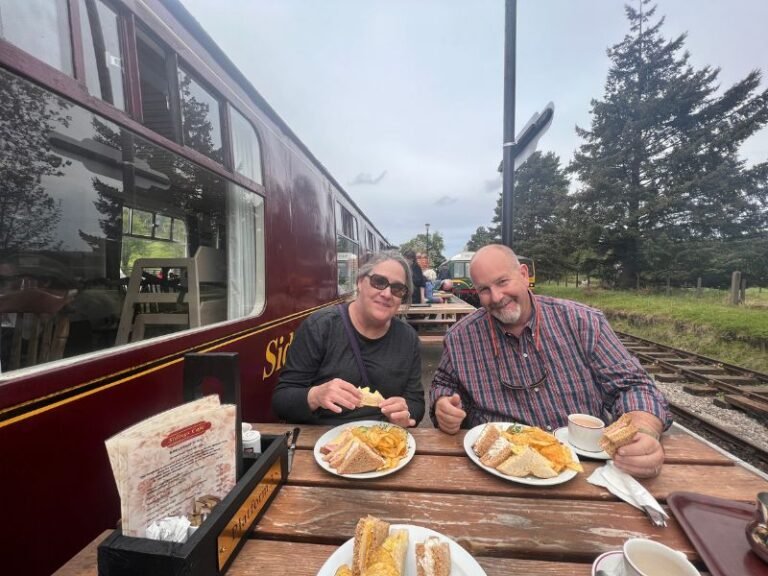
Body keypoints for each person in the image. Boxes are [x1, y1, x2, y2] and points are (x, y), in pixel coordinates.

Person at [430, 244, 671, 478]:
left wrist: (643, 431)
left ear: (524, 275)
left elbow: (633, 385)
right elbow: (444, 384)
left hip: (587, 469)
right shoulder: (460, 338)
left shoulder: (583, 322)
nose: (496, 297)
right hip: (497, 470)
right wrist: (443, 404)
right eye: (484, 289)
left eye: (503, 282)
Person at [272, 251, 424, 427]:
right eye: (379, 282)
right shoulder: (320, 326)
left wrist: (406, 412)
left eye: (397, 289)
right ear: (360, 282)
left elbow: (416, 402)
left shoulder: (407, 338)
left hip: (381, 437)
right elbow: (281, 401)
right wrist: (315, 396)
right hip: (323, 437)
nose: (387, 293)